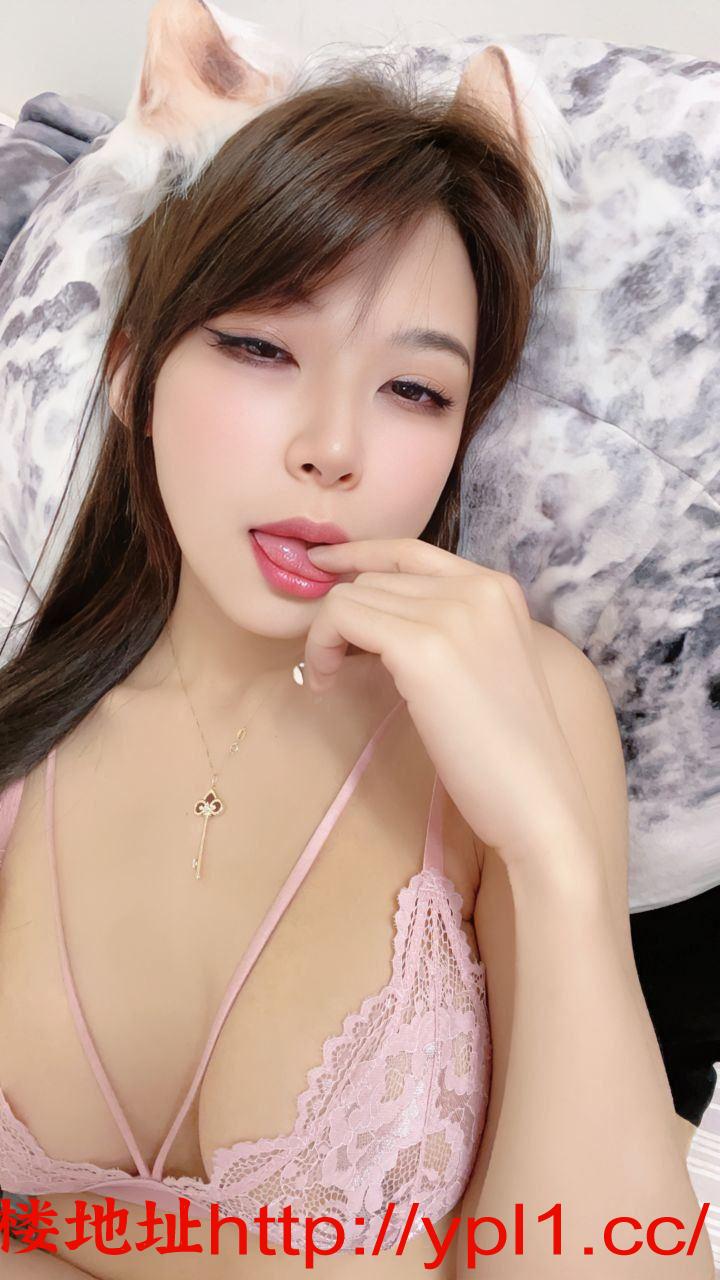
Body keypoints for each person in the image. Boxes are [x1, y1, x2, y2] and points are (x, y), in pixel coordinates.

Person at [0, 33, 713, 1280]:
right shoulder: (24, 739)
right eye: (263, 348)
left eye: (415, 391)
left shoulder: (522, 698)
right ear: (130, 373)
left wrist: (549, 853)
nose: (333, 448)